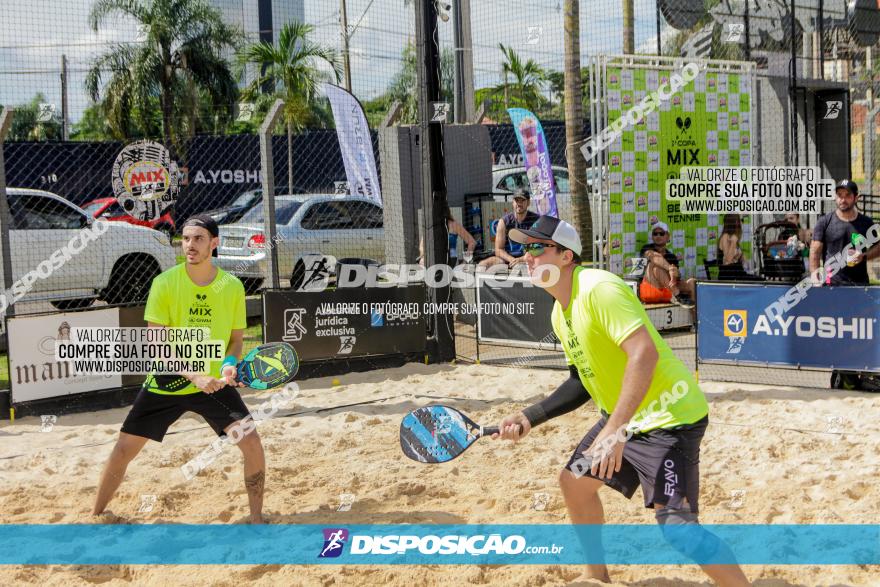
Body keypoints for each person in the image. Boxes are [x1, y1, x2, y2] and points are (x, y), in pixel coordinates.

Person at [492, 215, 750, 586]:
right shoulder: (559, 311)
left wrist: (615, 428)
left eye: (536, 247)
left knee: (677, 528)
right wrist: (530, 417)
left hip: (668, 416)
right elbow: (580, 380)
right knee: (574, 483)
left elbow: (644, 354)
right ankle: (596, 576)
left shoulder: (599, 288)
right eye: (523, 248)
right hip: (626, 419)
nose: (526, 256)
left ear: (566, 256)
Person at [92, 214, 266, 523]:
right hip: (168, 381)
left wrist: (228, 366)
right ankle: (96, 515)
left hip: (213, 385)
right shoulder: (164, 283)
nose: (190, 245)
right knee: (123, 450)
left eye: (198, 239)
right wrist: (194, 375)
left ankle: (256, 519)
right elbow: (156, 344)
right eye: (185, 239)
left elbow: (236, 340)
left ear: (214, 243)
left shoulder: (232, 287)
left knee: (251, 444)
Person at [810, 180, 880, 390]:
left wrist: (865, 256)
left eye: (847, 195)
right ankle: (843, 377)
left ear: (856, 198)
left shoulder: (867, 224)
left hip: (860, 289)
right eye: (839, 195)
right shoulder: (825, 222)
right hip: (834, 289)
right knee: (839, 335)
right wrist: (815, 277)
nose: (842, 199)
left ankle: (864, 375)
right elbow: (814, 251)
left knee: (862, 334)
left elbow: (879, 248)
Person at [478, 188, 540, 269]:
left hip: (528, 259)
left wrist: (521, 259)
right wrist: (513, 260)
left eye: (522, 200)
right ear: (513, 202)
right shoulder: (503, 222)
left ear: (528, 202)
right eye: (517, 200)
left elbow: (539, 248)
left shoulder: (536, 220)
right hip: (508, 259)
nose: (519, 203)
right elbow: (498, 250)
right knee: (482, 265)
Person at [638, 221, 695, 308]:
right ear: (652, 236)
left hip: (667, 291)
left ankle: (695, 317)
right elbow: (653, 256)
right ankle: (678, 295)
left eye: (661, 233)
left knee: (692, 282)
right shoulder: (646, 248)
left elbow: (676, 278)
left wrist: (675, 274)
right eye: (655, 233)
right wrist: (670, 268)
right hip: (649, 291)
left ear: (668, 236)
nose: (658, 236)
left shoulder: (672, 256)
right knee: (654, 266)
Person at [717, 214, 758, 280]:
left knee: (759, 279)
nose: (742, 222)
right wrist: (733, 243)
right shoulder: (725, 236)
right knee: (759, 281)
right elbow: (728, 260)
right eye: (740, 220)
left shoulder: (734, 237)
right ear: (734, 223)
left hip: (738, 273)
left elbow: (742, 260)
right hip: (729, 276)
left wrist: (742, 257)